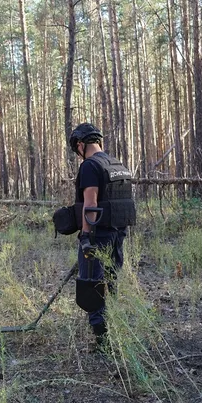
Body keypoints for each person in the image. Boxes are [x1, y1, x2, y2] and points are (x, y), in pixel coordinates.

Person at [70, 122, 136, 347]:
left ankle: (102, 341)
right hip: (118, 232)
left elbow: (91, 204)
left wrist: (85, 237)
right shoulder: (116, 164)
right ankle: (115, 327)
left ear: (80, 145)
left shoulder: (90, 166)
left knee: (91, 284)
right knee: (111, 279)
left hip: (98, 235)